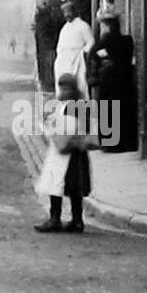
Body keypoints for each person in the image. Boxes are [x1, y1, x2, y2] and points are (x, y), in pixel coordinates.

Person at [34, 73, 95, 233]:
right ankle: (66, 219)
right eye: (62, 87)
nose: (64, 91)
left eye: (66, 87)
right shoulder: (65, 104)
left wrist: (68, 140)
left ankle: (69, 220)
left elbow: (83, 129)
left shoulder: (76, 105)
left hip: (70, 152)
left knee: (68, 186)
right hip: (64, 150)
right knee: (60, 185)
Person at [87, 9, 137, 153]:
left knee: (109, 112)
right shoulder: (126, 41)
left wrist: (96, 72)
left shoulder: (104, 42)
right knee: (123, 112)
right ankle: (125, 142)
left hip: (109, 83)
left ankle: (111, 143)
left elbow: (93, 55)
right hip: (125, 82)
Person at [53, 1, 94, 98]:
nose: (67, 15)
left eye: (69, 12)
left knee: (80, 83)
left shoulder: (83, 26)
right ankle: (65, 106)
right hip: (64, 61)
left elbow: (91, 42)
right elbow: (59, 46)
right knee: (63, 84)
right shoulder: (64, 28)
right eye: (65, 13)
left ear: (74, 11)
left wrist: (83, 53)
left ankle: (81, 107)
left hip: (77, 60)